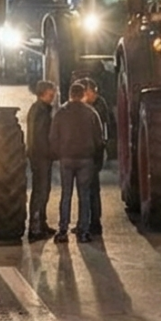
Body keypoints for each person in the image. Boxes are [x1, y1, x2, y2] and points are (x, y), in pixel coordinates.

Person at [48, 79, 105, 241]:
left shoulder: (61, 113)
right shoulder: (91, 113)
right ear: (83, 95)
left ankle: (62, 230)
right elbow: (99, 139)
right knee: (84, 196)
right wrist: (95, 156)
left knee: (66, 195)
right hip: (86, 159)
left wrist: (59, 153)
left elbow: (53, 137)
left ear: (70, 95)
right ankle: (83, 231)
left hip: (66, 159)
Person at [72, 76, 110, 239]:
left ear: (91, 91)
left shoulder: (98, 107)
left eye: (85, 92)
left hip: (93, 154)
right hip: (88, 153)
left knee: (92, 190)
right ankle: (84, 222)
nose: (84, 96)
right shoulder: (91, 107)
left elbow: (99, 132)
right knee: (85, 191)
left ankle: (94, 223)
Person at [22, 79, 59, 241]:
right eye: (51, 93)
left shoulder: (40, 109)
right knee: (40, 191)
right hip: (41, 157)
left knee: (43, 190)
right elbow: (40, 136)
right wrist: (50, 152)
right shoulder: (40, 111)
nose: (53, 96)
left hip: (40, 156)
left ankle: (41, 223)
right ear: (43, 93)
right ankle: (35, 227)